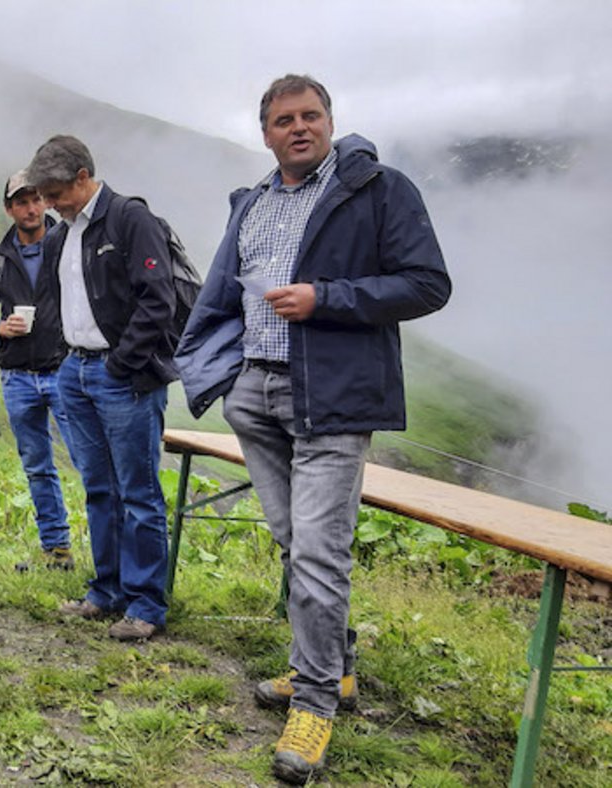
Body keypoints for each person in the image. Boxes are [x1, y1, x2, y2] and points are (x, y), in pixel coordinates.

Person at [175, 74, 451, 784]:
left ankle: (316, 705)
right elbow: (221, 293)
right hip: (257, 393)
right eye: (283, 120)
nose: (299, 127)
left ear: (330, 121)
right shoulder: (255, 201)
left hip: (332, 395)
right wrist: (225, 376)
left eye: (311, 115)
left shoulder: (379, 189)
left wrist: (326, 298)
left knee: (320, 556)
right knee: (295, 543)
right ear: (265, 133)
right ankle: (338, 668)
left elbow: (427, 284)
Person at [27, 135, 177, 643]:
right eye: (43, 195)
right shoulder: (58, 235)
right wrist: (66, 363)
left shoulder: (130, 219)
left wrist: (121, 363)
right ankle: (106, 590)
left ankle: (146, 604)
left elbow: (160, 298)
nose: (47, 204)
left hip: (122, 376)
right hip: (76, 371)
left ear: (83, 177)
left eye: (53, 192)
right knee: (98, 487)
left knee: (139, 493)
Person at [0, 170, 74, 570]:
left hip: (63, 370)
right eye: (21, 202)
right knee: (37, 466)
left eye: (36, 200)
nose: (31, 208)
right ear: (9, 208)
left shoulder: (66, 245)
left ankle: (107, 553)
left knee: (86, 460)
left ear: (46, 201)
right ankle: (57, 548)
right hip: (16, 376)